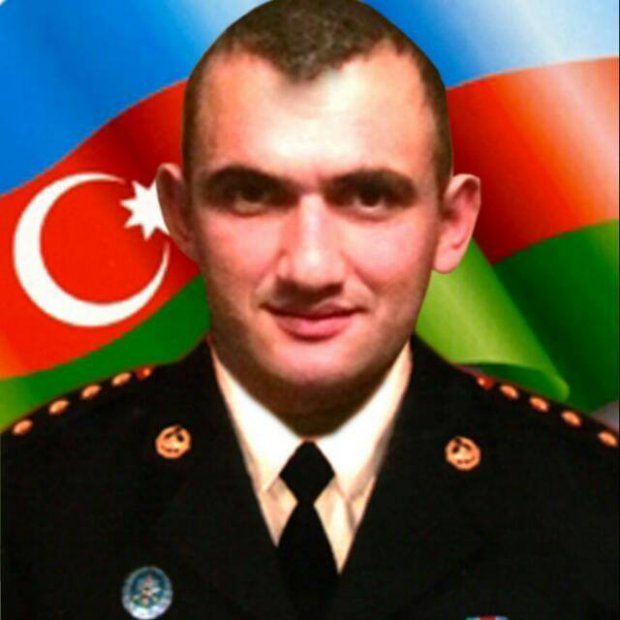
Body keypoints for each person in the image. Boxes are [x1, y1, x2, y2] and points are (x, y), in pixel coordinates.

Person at [2, 1, 618, 618]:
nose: (310, 267)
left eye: (370, 197)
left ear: (451, 225)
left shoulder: (596, 503)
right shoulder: (25, 499)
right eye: (252, 195)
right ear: (181, 216)